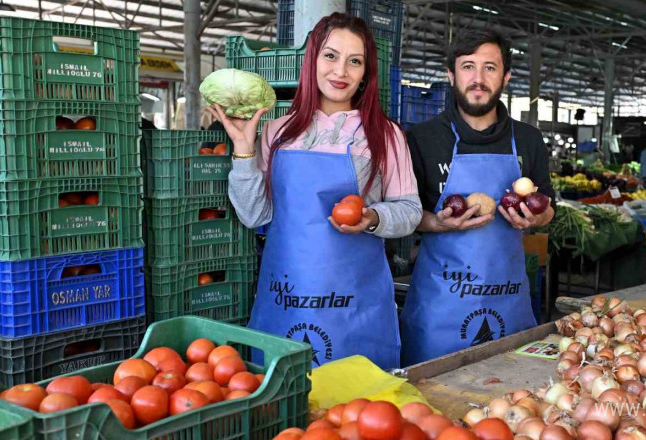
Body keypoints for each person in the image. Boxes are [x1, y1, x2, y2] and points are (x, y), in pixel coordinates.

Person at [210, 13, 422, 369]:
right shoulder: (277, 131)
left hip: (354, 304)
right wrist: (244, 150)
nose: (341, 71)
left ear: (365, 73)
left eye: (354, 62)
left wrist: (372, 217)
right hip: (287, 297)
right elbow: (254, 215)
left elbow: (410, 210)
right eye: (331, 56)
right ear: (312, 61)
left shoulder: (385, 135)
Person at [401, 30, 554, 366]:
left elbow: (548, 207)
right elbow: (407, 215)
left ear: (507, 77)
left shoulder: (528, 139)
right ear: (451, 74)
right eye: (468, 66)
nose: (478, 78)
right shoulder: (422, 139)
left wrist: (537, 217)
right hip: (439, 308)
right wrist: (437, 223)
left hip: (508, 302)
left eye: (490, 67)